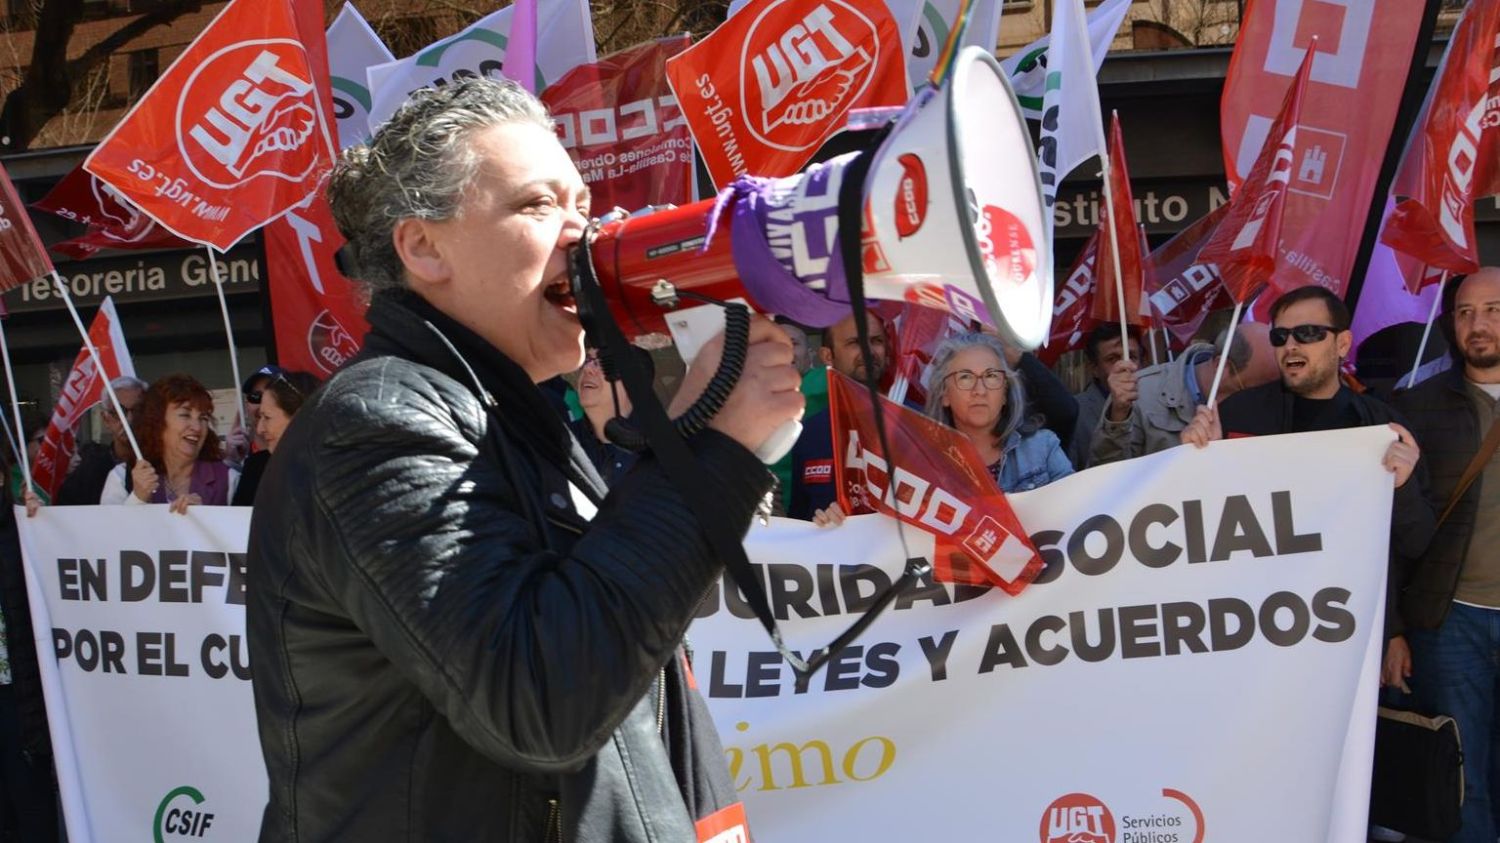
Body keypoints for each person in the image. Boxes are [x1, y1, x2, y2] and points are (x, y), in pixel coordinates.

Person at [247, 78, 801, 841]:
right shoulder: (375, 423)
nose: (584, 232)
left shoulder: (515, 414)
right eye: (539, 204)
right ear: (424, 246)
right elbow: (539, 701)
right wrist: (713, 450)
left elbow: (622, 681)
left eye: (582, 203)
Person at [1179, 286, 1429, 697]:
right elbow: (1200, 524)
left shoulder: (1384, 428)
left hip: (1347, 636)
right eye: (1281, 336)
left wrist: (1394, 631)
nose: (1291, 345)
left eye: (1308, 333)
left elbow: (1413, 544)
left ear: (1342, 343)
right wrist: (1192, 462)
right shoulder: (1237, 414)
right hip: (1253, 632)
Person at [1390, 268, 1500, 843]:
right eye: (1463, 312)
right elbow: (1397, 537)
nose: (1476, 324)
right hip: (1451, 621)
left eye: (1492, 310)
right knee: (1464, 779)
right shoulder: (1415, 406)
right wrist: (1395, 630)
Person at [1090, 320, 1277, 465]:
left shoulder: (1275, 403)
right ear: (1223, 366)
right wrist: (1119, 415)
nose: (1265, 394)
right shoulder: (1141, 390)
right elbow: (1106, 476)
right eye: (1257, 385)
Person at [925, 332, 1073, 493]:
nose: (980, 390)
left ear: (1005, 393)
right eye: (965, 377)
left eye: (991, 376)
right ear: (944, 394)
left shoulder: (1043, 448)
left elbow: (1075, 511)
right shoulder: (922, 463)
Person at [788, 310, 888, 520]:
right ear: (827, 356)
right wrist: (818, 522)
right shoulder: (808, 433)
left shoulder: (916, 424)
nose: (869, 351)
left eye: (876, 340)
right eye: (854, 343)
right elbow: (798, 521)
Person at [99, 374, 239, 513]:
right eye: (185, 415)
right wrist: (137, 498)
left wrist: (204, 517)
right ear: (157, 421)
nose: (197, 427)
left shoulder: (229, 479)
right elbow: (108, 532)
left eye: (203, 418)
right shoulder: (122, 477)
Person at [55, 376, 146, 505]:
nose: (129, 420)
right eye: (118, 412)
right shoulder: (86, 472)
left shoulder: (162, 464)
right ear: (105, 419)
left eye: (138, 411)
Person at [232, 371, 319, 506]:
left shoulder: (342, 469)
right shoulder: (255, 467)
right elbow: (233, 523)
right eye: (260, 417)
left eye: (267, 417)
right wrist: (195, 511)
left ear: (298, 418)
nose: (260, 428)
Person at [570, 347, 647, 486]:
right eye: (587, 360)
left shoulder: (659, 447)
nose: (587, 368)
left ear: (635, 383)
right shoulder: (562, 440)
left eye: (603, 363)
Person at [1069, 324, 1141, 469]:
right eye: (1112, 359)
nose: (1125, 365)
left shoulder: (1159, 401)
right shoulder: (1075, 412)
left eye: (1132, 356)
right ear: (1094, 368)